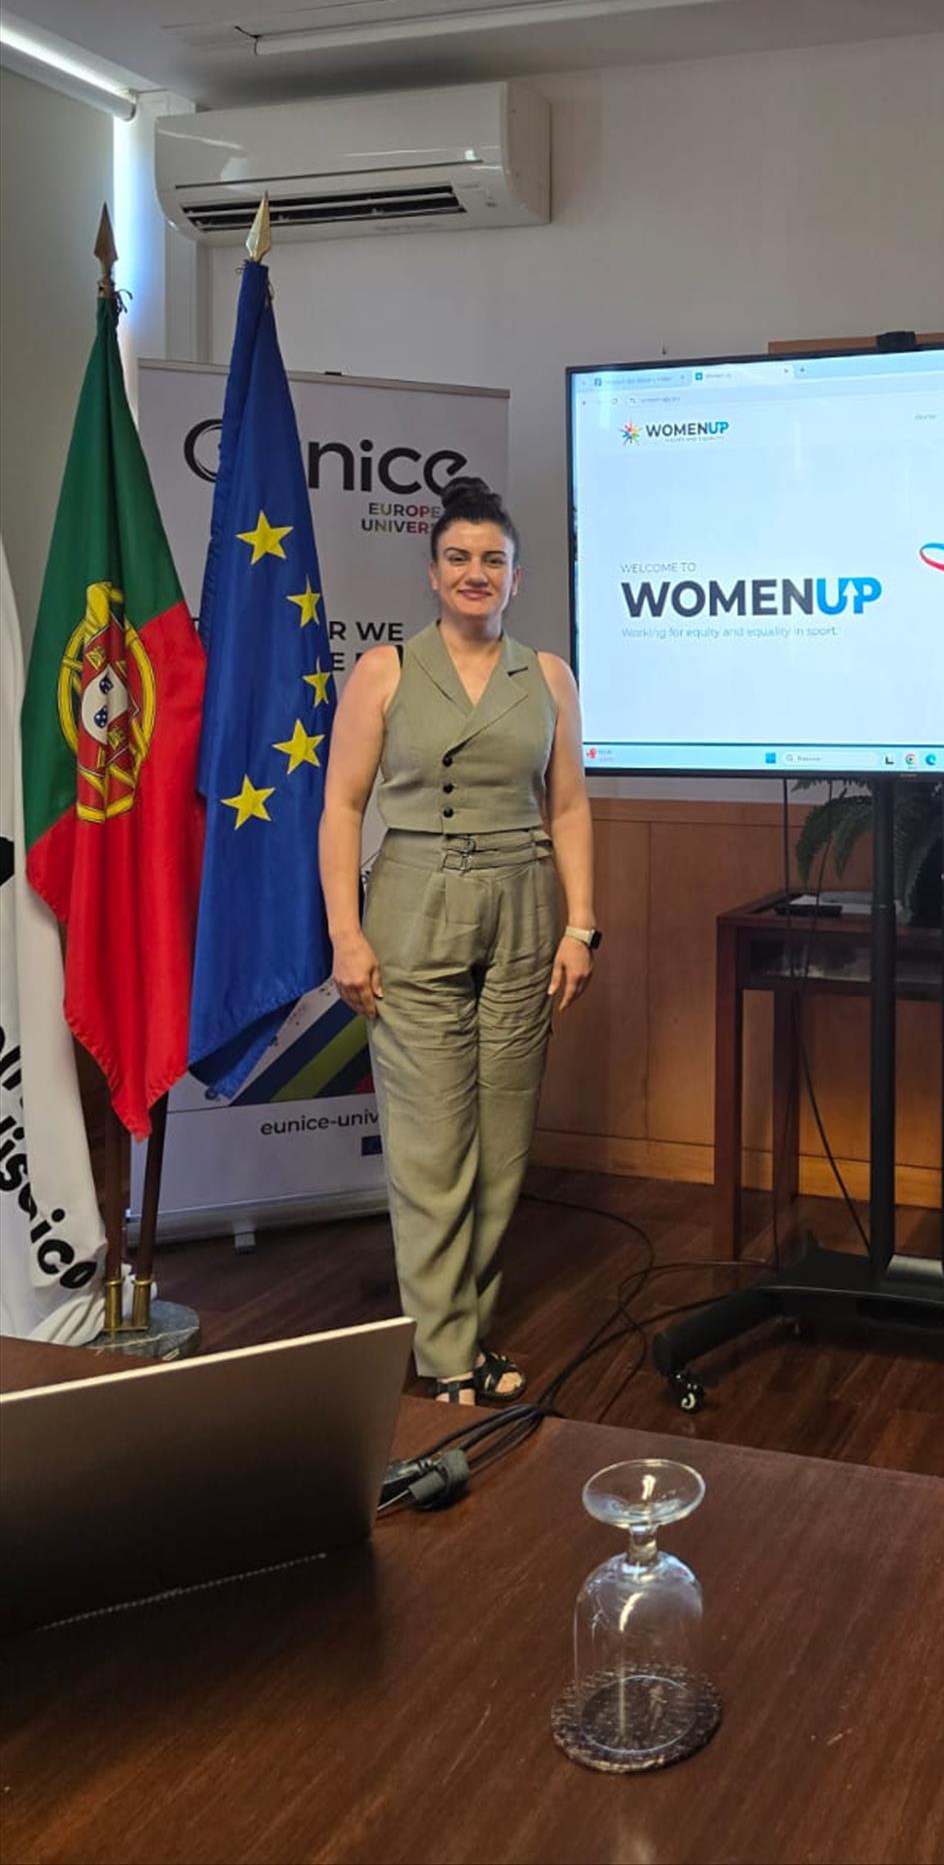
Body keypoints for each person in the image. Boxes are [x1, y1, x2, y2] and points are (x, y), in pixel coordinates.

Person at [319, 477, 597, 1404]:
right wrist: (346, 935)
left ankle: (467, 1330)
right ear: (432, 573)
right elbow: (341, 808)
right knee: (431, 1144)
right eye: (458, 558)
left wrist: (581, 926)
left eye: (493, 560)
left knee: (504, 1141)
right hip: (412, 905)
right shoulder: (384, 671)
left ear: (517, 578)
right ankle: (445, 1356)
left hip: (525, 908)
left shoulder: (548, 676)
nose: (476, 573)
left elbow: (569, 808)